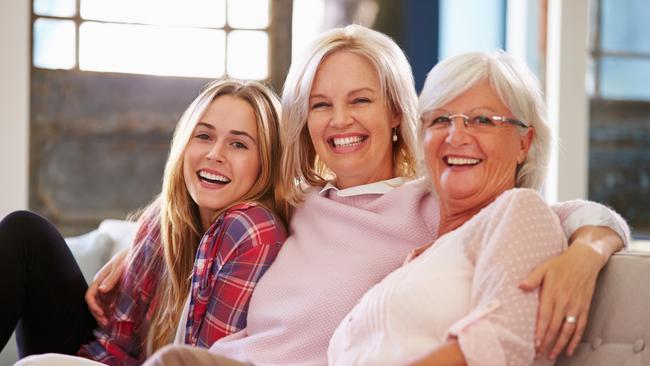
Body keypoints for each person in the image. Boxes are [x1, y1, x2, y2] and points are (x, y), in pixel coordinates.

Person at [136, 25, 627, 366]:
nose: (340, 120)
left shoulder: (436, 203)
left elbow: (562, 213)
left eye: (360, 100)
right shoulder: (299, 202)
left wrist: (589, 248)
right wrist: (140, 242)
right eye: (321, 105)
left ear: (396, 111)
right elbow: (205, 197)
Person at [327, 50, 621, 365]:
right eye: (440, 120)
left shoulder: (519, 211)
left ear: (524, 142)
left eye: (482, 120)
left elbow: (497, 347)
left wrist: (589, 248)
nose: (456, 136)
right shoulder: (423, 245)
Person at [1, 79, 288, 365]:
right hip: (109, 356)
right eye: (203, 136)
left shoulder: (252, 229)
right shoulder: (166, 217)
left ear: (267, 161)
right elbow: (115, 342)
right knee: (25, 232)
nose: (215, 154)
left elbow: (201, 360)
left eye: (238, 144)